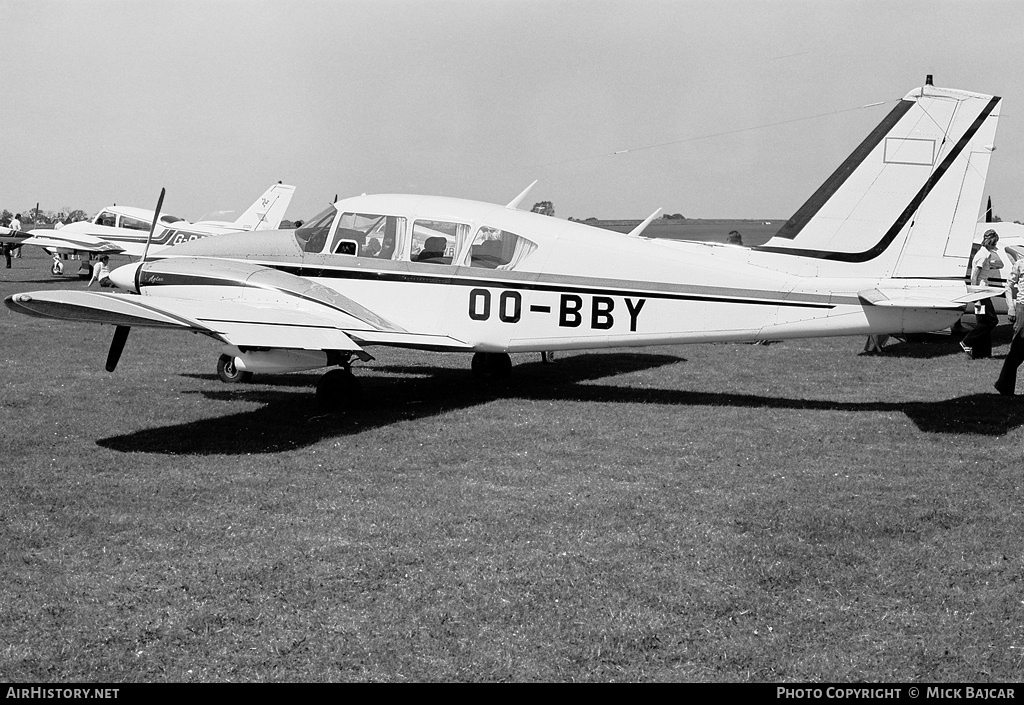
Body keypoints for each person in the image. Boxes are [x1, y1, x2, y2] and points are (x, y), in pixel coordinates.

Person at [960, 229, 1004, 359]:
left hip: (983, 292)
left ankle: (982, 354)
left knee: (982, 322)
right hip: (981, 293)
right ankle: (966, 342)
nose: (995, 246)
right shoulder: (983, 255)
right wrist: (976, 297)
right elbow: (975, 277)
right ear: (990, 242)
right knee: (992, 320)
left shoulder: (984, 254)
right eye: (994, 243)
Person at [995, 254, 1024, 396]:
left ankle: (1003, 384)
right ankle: (1005, 386)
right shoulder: (1019, 264)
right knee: (1018, 346)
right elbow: (1009, 285)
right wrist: (1011, 307)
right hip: (1022, 307)